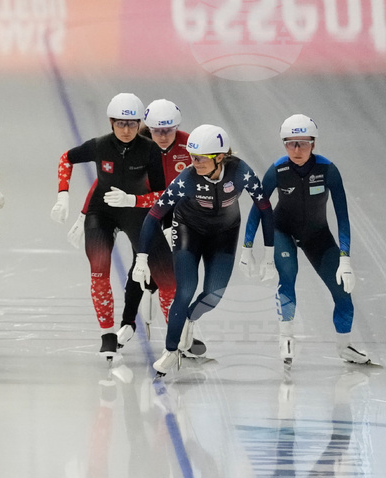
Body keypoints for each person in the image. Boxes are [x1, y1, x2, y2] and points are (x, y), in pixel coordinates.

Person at [132, 124, 277, 376]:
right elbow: (154, 215)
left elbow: (264, 207)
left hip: (224, 234)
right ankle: (170, 350)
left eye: (199, 158)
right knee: (185, 289)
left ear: (220, 157)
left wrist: (268, 255)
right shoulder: (187, 179)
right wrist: (142, 258)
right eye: (191, 157)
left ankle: (189, 320)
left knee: (213, 295)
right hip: (189, 232)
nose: (193, 163)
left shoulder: (241, 172)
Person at [50, 93, 174, 358]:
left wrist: (134, 199)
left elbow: (163, 193)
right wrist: (63, 195)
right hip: (101, 212)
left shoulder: (150, 149)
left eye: (131, 124)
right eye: (120, 124)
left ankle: (176, 335)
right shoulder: (99, 146)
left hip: (136, 209)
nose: (126, 130)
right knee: (99, 269)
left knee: (166, 276)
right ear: (110, 123)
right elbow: (66, 158)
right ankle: (107, 333)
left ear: (139, 124)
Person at [241, 114, 371, 366]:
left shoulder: (328, 170)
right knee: (287, 277)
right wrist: (247, 248)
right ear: (284, 144)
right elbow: (259, 208)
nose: (297, 149)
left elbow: (343, 217)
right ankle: (286, 336)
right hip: (282, 231)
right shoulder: (277, 170)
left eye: (303, 143)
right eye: (290, 143)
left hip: (318, 235)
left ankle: (345, 346)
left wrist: (345, 257)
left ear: (314, 143)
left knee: (343, 292)